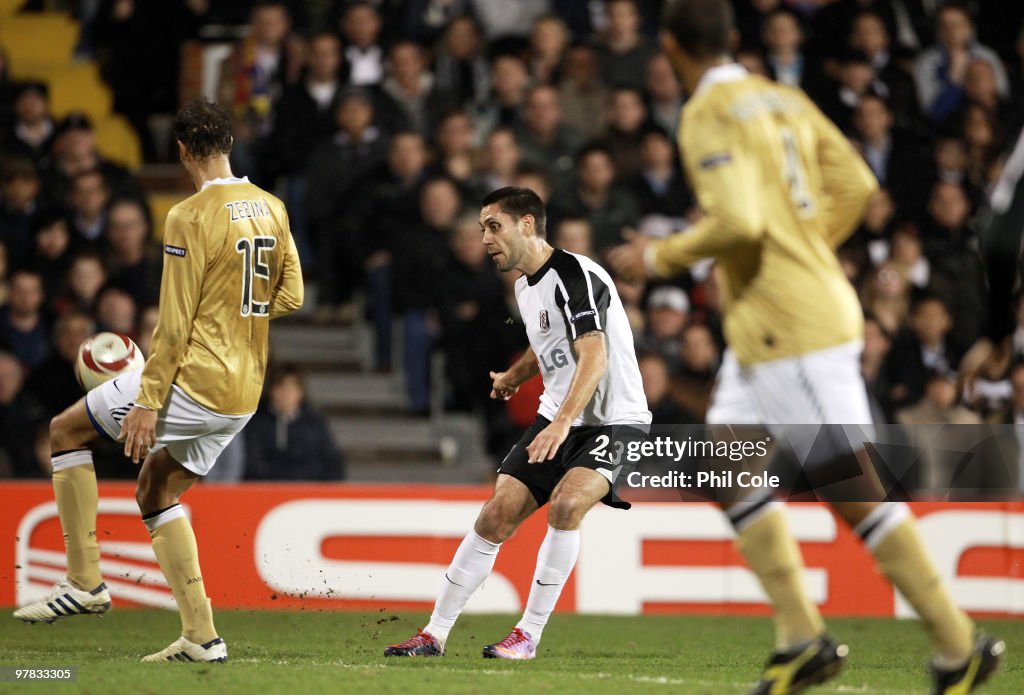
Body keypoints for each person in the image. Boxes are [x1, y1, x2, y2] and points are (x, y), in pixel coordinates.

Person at [609, 2, 1003, 693]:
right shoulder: (781, 97)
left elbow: (738, 219)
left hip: (794, 329)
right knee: (727, 461)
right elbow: (855, 184)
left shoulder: (706, 111)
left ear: (670, 47)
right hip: (769, 325)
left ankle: (957, 641)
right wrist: (808, 247)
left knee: (852, 487)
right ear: (733, 39)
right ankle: (802, 636)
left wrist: (660, 254)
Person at [11, 98, 304, 664]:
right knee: (155, 486)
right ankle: (201, 637)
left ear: (182, 151)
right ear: (228, 145)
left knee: (64, 431)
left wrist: (148, 402)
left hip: (192, 382)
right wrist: (233, 313)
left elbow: (172, 325)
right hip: (244, 393)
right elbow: (291, 295)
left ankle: (84, 581)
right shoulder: (272, 206)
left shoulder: (187, 215)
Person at [386, 186, 650, 659]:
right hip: (559, 415)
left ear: (526, 225)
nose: (485, 238)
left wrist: (562, 422)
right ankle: (434, 633)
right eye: (482, 228)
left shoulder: (575, 275)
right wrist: (515, 374)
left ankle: (528, 634)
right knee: (494, 515)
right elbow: (549, 342)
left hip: (613, 421)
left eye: (494, 226)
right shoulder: (525, 286)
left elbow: (594, 356)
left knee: (567, 506)